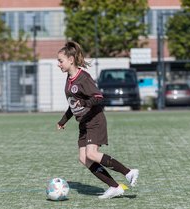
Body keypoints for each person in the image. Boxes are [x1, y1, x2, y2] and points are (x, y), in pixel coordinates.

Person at [56, 41, 139, 199]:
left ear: (71, 60)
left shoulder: (83, 78)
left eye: (60, 61)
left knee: (92, 154)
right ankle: (114, 187)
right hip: (83, 123)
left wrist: (86, 103)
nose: (58, 64)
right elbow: (73, 104)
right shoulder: (69, 79)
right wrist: (63, 121)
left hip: (95, 120)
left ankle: (129, 172)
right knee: (83, 158)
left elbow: (98, 97)